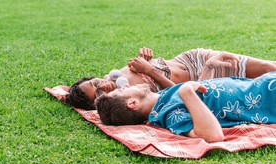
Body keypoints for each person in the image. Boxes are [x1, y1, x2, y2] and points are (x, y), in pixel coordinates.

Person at [65, 48, 276, 110]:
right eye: (99, 93)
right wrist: (151, 71)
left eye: (95, 83)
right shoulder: (130, 97)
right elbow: (182, 93)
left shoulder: (118, 75)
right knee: (265, 83)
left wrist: (147, 59)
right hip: (206, 78)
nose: (103, 86)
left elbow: (152, 64)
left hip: (193, 58)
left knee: (267, 67)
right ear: (99, 103)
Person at [95, 72, 276, 143]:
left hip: (262, 84)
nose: (125, 86)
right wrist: (187, 91)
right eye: (122, 91)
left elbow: (204, 95)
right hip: (269, 96)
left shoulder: (163, 98)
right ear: (133, 103)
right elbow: (213, 135)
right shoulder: (168, 114)